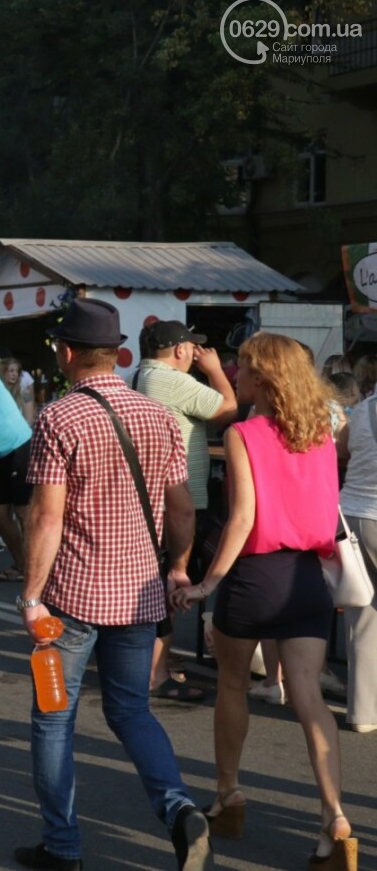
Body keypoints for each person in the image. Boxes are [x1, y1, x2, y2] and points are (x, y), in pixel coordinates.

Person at [14, 299, 209, 871]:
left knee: (54, 719)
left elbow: (47, 517)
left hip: (71, 600)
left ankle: (63, 846)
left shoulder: (59, 417)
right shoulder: (157, 415)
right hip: (142, 594)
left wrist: (30, 595)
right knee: (132, 712)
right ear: (118, 352)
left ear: (68, 352)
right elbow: (183, 510)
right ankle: (177, 810)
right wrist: (178, 567)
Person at [172, 332, 355, 870]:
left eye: (244, 368)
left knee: (232, 683)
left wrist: (208, 581)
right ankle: (335, 816)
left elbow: (244, 517)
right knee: (310, 699)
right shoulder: (320, 431)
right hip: (307, 577)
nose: (238, 374)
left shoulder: (245, 434)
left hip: (256, 575)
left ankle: (228, 793)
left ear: (262, 378)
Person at [133, 320, 239, 702]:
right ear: (179, 350)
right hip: (182, 498)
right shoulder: (168, 379)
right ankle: (155, 673)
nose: (196, 354)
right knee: (174, 582)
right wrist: (215, 371)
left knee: (161, 580)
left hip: (158, 494)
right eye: (193, 348)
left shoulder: (142, 374)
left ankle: (151, 663)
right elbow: (227, 408)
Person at [336, 385, 377, 736]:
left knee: (363, 615)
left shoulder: (365, 407)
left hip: (351, 516)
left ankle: (363, 711)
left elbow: (342, 448)